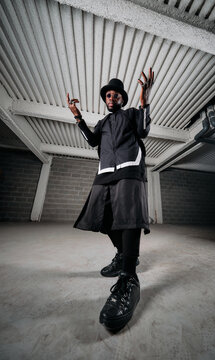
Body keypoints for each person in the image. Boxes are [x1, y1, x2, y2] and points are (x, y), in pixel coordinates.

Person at [67, 68, 154, 332]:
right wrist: (78, 117)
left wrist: (144, 98)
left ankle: (129, 276)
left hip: (129, 168)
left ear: (122, 98)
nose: (111, 97)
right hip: (105, 173)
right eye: (108, 94)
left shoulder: (131, 114)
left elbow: (144, 129)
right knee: (102, 218)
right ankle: (123, 254)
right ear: (105, 98)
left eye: (116, 94)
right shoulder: (103, 123)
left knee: (128, 217)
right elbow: (93, 141)